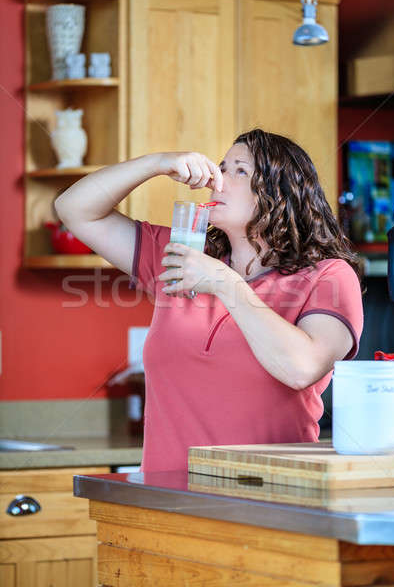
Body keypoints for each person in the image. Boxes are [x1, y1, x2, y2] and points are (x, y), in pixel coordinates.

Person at [55, 128, 364, 473]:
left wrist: (223, 282)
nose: (217, 179)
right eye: (221, 166)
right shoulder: (182, 255)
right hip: (168, 499)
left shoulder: (328, 276)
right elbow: (74, 209)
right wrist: (157, 163)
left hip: (272, 500)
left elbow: (301, 368)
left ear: (281, 194)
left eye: (239, 171)